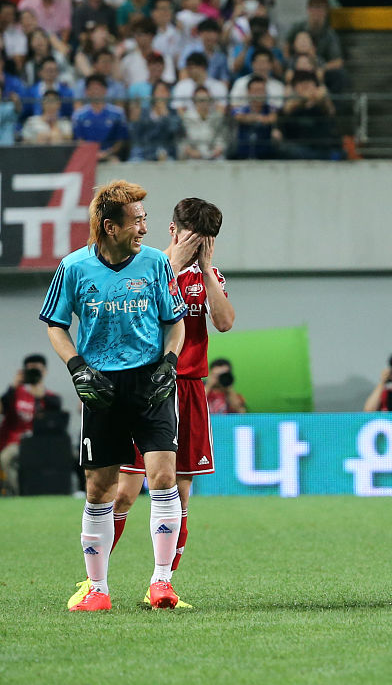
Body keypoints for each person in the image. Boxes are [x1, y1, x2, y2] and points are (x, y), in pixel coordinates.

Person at [42, 180, 187, 612]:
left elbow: (173, 321)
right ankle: (98, 590)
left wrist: (170, 362)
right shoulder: (73, 267)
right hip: (101, 386)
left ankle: (162, 584)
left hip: (150, 382)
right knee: (99, 488)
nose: (145, 227)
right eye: (137, 220)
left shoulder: (158, 264)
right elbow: (55, 323)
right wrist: (76, 366)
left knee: (163, 477)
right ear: (110, 226)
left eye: (144, 218)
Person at [99, 198, 232, 608]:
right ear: (174, 231)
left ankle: (163, 583)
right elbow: (125, 312)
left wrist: (206, 270)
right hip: (146, 384)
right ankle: (96, 581)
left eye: (206, 241)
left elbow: (224, 322)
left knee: (180, 492)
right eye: (194, 239)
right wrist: (173, 262)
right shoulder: (148, 266)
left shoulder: (208, 275)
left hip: (190, 386)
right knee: (124, 492)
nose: (198, 247)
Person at [0, 354, 63, 496]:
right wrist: (12, 387)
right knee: (6, 458)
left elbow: (58, 416)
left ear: (44, 372)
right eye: (30, 370)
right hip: (16, 443)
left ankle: (74, 492)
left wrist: (41, 395)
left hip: (41, 443)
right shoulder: (15, 393)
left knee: (72, 455)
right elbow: (2, 409)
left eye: (37, 370)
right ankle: (16, 494)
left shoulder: (50, 397)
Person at [71, 75, 128, 162]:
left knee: (115, 162)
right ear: (86, 92)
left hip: (110, 156)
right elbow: (79, 140)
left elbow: (120, 141)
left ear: (105, 91)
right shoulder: (79, 115)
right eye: (92, 89)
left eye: (98, 88)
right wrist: (92, 154)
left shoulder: (118, 113)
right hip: (86, 156)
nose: (95, 91)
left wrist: (106, 154)